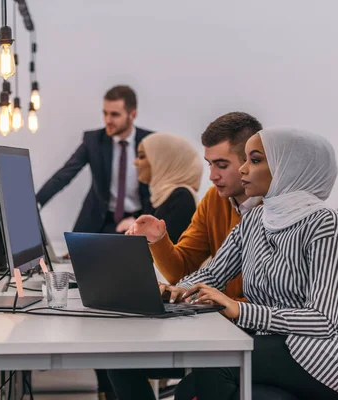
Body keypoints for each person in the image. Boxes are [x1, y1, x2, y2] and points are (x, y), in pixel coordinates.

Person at [169, 129, 338, 399]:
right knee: (188, 389)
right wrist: (175, 290)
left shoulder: (325, 222)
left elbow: (322, 320)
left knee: (215, 362)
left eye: (255, 160)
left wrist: (240, 310)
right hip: (279, 345)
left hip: (330, 354)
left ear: (289, 168)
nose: (243, 169)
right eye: (245, 160)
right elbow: (212, 274)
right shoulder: (256, 219)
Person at [109, 113, 262, 400]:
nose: (212, 175)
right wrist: (158, 240)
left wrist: (212, 301)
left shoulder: (274, 211)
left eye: (222, 165)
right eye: (209, 165)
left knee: (189, 389)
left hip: (248, 327)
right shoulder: (214, 201)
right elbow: (182, 270)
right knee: (117, 358)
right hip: (214, 320)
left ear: (249, 162)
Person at [36, 85, 153, 235]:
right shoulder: (94, 141)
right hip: (98, 221)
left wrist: (142, 220)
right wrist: (36, 204)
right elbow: (64, 174)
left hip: (135, 221)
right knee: (74, 258)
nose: (108, 120)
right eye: (105, 113)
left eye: (115, 114)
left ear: (132, 115)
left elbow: (162, 187)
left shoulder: (150, 142)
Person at [122, 132, 203, 243]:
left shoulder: (182, 197)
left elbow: (167, 250)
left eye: (141, 156)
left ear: (162, 160)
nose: (135, 163)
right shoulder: (158, 197)